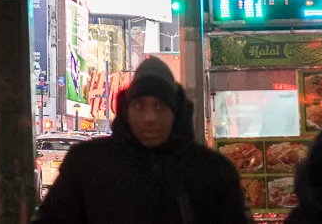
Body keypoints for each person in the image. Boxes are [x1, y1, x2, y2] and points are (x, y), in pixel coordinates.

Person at [36, 56, 251, 224]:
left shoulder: (213, 173)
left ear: (176, 112)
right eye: (140, 106)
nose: (150, 118)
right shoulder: (87, 166)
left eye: (160, 106)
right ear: (126, 110)